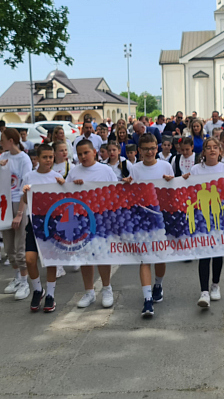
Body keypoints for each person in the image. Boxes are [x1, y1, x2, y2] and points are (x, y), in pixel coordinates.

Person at [122, 133, 174, 317]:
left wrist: (170, 182)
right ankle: (147, 300)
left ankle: (158, 284)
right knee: (144, 258)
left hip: (161, 218)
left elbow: (173, 191)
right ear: (139, 151)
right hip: (142, 220)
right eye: (146, 149)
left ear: (157, 148)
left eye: (153, 148)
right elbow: (130, 194)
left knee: (159, 257)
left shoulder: (165, 166)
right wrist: (126, 185)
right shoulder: (135, 169)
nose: (150, 152)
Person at [16, 144, 65, 313]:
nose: (48, 160)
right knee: (30, 259)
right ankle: (38, 289)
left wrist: (63, 185)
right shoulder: (29, 176)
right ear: (37, 159)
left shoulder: (56, 177)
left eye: (51, 157)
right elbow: (26, 199)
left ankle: (50, 294)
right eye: (45, 157)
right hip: (34, 222)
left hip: (51, 224)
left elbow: (64, 201)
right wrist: (25, 192)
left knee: (50, 261)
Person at [68, 140, 117, 308]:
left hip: (102, 219)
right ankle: (89, 292)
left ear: (94, 152)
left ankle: (106, 288)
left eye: (86, 153)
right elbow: (65, 194)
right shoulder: (74, 172)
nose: (83, 157)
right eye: (80, 154)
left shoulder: (106, 170)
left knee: (102, 255)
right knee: (84, 257)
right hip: (81, 220)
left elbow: (115, 192)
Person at [187, 137, 224, 308]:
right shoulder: (195, 170)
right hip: (201, 217)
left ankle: (215, 284)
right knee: (204, 253)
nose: (212, 150)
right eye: (209, 147)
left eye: (216, 147)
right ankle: (204, 292)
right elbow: (187, 190)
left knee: (217, 252)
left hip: (219, 217)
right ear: (204, 152)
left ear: (220, 151)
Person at [0, 128, 34, 300]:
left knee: (20, 247)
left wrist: (20, 212)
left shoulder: (24, 159)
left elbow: (26, 186)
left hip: (18, 203)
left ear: (11, 141)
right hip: (4, 204)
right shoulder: (3, 157)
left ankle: (25, 282)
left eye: (3, 139)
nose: (0, 142)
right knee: (9, 247)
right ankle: (17, 277)